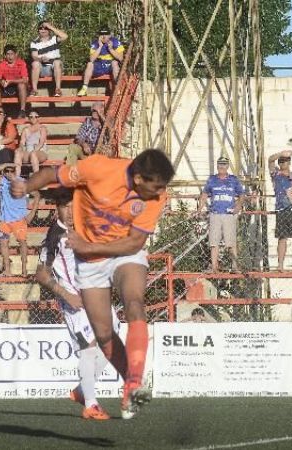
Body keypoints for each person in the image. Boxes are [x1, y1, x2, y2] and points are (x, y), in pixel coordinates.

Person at [11, 149, 175, 419]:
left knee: (134, 301)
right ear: (138, 178)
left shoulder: (155, 196)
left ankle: (134, 381)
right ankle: (130, 385)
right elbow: (53, 174)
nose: (160, 192)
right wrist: (26, 186)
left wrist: (89, 245)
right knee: (103, 335)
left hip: (124, 253)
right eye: (155, 185)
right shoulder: (98, 168)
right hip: (90, 264)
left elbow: (135, 243)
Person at [34, 188, 118, 420]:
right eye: (65, 207)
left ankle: (82, 391)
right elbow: (41, 274)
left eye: (73, 206)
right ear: (56, 208)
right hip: (75, 302)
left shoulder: (85, 227)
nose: (70, 211)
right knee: (90, 349)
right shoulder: (55, 235)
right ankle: (90, 404)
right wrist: (65, 294)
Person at [0, 163, 40, 277]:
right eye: (7, 171)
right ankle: (7, 270)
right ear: (3, 172)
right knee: (3, 243)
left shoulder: (22, 182)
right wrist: (6, 165)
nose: (9, 173)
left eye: (11, 171)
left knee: (22, 243)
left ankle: (24, 270)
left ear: (15, 171)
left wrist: (32, 213)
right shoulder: (2, 181)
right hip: (4, 219)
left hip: (19, 219)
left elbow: (37, 195)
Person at [197, 156, 245, 273]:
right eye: (220, 164)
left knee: (231, 242)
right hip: (215, 213)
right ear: (217, 166)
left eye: (224, 164)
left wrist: (238, 206)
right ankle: (214, 267)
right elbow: (204, 194)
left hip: (229, 214)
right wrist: (199, 209)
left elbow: (242, 194)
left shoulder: (233, 179)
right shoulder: (212, 179)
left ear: (227, 166)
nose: (222, 167)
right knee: (214, 242)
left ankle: (234, 267)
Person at [268, 149, 292, 271]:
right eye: (281, 161)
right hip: (282, 209)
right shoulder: (276, 175)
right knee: (282, 237)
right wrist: (281, 153)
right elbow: (270, 160)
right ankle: (280, 265)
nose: (283, 163)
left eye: (286, 161)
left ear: (289, 163)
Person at [77, 28, 125, 97]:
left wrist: (111, 49)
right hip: (99, 65)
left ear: (109, 35)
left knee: (115, 63)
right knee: (89, 64)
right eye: (102, 34)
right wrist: (100, 47)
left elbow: (120, 58)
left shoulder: (115, 42)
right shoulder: (95, 43)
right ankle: (84, 88)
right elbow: (92, 59)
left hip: (111, 66)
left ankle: (117, 88)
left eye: (106, 34)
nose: (104, 36)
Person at [29, 21, 68, 97]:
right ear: (38, 30)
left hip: (55, 67)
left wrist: (50, 27)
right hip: (42, 67)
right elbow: (34, 56)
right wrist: (41, 59)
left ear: (49, 30)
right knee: (35, 63)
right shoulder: (34, 43)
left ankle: (58, 89)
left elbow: (65, 36)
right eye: (41, 28)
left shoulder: (54, 39)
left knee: (57, 62)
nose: (43, 30)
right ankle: (34, 90)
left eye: (45, 28)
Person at [0, 45, 29, 117]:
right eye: (8, 54)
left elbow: (25, 80)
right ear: (5, 55)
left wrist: (11, 81)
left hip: (18, 88)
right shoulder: (1, 64)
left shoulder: (21, 63)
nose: (10, 56)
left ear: (16, 54)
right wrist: (1, 81)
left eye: (11, 54)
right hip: (6, 87)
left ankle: (22, 110)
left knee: (22, 85)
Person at [15, 110, 48, 177]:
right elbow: (22, 142)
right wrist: (20, 148)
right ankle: (17, 177)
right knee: (17, 153)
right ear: (29, 118)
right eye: (31, 117)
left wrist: (35, 150)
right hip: (29, 152)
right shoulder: (25, 129)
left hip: (40, 152)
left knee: (33, 154)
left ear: (38, 118)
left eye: (36, 116)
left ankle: (36, 177)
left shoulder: (42, 128)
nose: (33, 118)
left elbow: (41, 142)